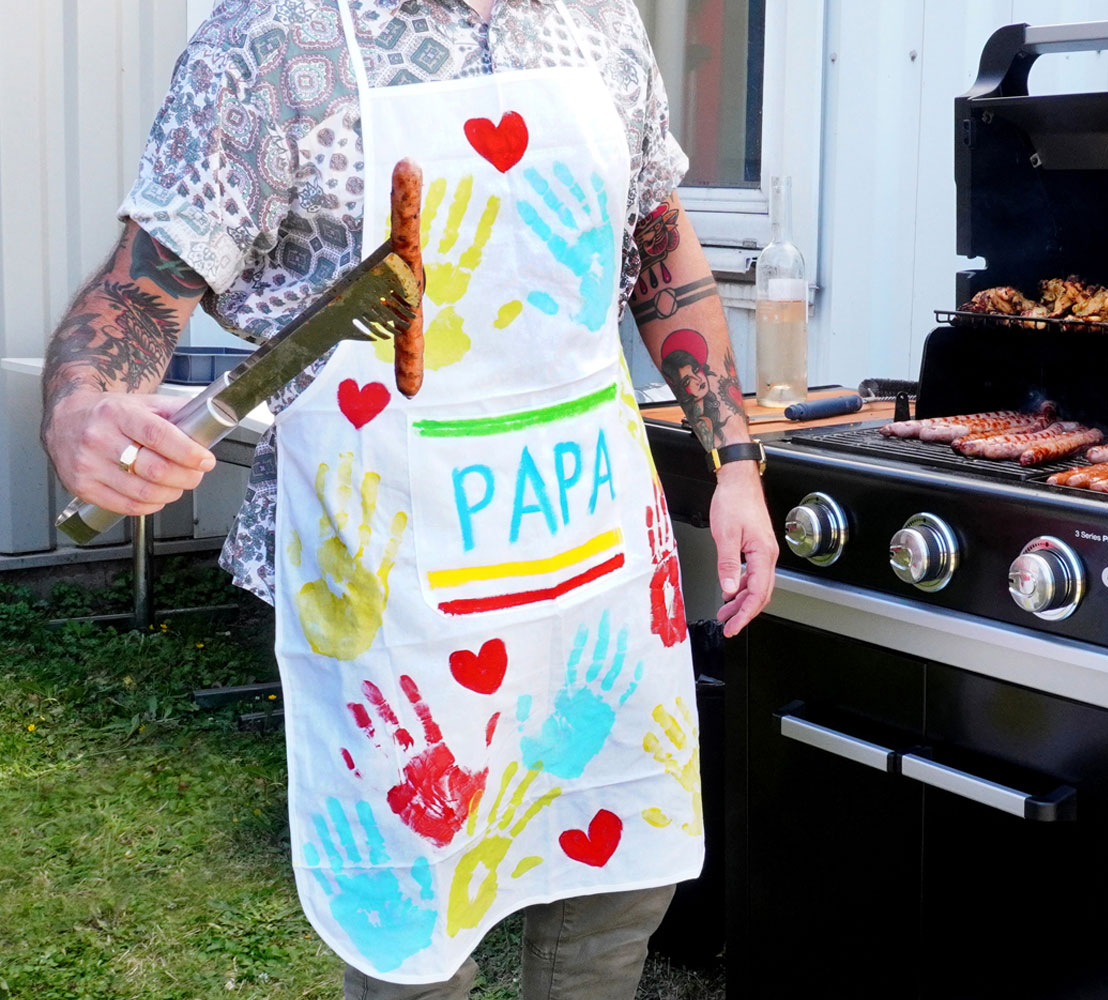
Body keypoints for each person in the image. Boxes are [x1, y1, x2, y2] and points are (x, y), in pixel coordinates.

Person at [39, 1, 777, 997]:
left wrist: (734, 458)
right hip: (394, 585)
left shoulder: (601, 19)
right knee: (412, 918)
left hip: (592, 553)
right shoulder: (275, 40)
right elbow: (141, 287)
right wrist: (83, 405)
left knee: (614, 895)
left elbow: (655, 238)